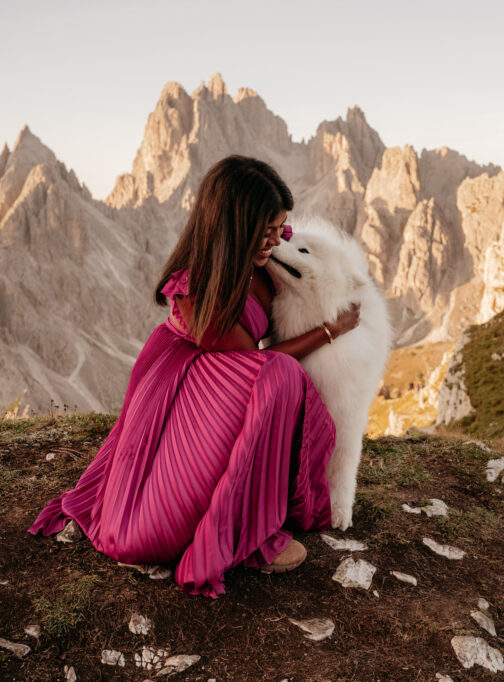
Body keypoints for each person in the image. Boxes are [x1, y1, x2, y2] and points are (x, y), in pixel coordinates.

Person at [28, 155, 360, 597]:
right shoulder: (198, 288)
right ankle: (242, 532)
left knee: (278, 377)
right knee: (279, 376)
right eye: (265, 232)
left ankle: (258, 507)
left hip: (231, 379)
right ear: (234, 227)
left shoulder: (265, 253)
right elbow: (254, 364)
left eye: (281, 228)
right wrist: (328, 332)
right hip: (191, 388)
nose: (276, 241)